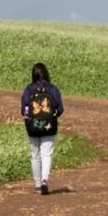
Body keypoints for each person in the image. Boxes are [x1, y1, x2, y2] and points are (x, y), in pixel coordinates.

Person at [21, 62, 64, 195]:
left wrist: (29, 117)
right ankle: (45, 180)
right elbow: (60, 109)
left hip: (32, 127)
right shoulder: (52, 89)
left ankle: (38, 185)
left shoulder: (29, 89)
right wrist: (52, 116)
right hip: (49, 126)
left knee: (35, 155)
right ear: (46, 74)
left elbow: (24, 109)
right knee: (46, 154)